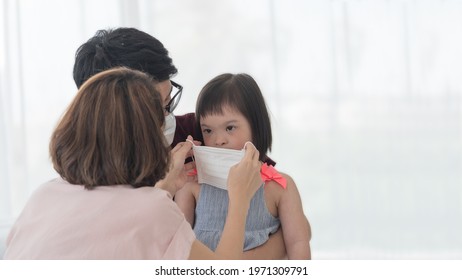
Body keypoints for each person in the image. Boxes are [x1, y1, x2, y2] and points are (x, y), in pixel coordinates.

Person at [3, 67, 266, 259]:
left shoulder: (43, 196)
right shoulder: (153, 210)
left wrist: (164, 187)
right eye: (162, 114)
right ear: (144, 137)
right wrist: (240, 198)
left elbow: (122, 223)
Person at [175, 73, 312, 259]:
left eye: (230, 128)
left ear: (256, 127)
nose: (218, 140)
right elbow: (176, 243)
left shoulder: (280, 186)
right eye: (208, 130)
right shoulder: (191, 184)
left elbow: (298, 242)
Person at [73, 27, 200, 147]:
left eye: (168, 100)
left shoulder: (197, 131)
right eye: (154, 111)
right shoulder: (85, 163)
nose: (167, 118)